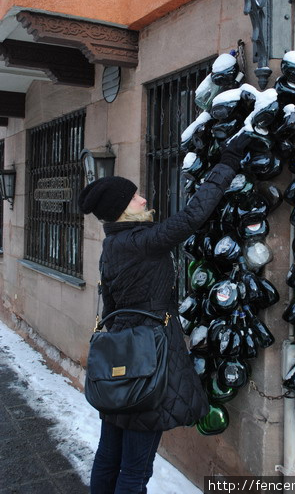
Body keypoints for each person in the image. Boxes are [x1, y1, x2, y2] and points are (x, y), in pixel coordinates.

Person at [78, 132, 251, 494]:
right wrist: (228, 162)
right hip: (150, 358)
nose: (143, 197)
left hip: (119, 361)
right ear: (124, 208)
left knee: (109, 455)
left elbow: (109, 306)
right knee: (135, 470)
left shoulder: (113, 245)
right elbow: (194, 215)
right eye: (135, 195)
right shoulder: (143, 241)